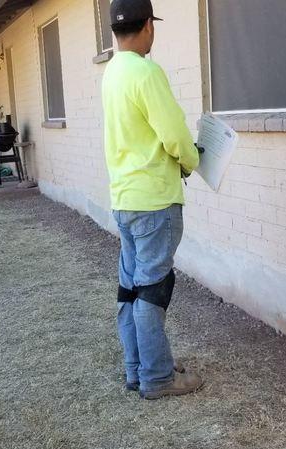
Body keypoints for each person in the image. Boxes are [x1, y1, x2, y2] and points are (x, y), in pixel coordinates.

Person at [102, 0, 202, 400]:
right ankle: (158, 378)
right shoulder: (146, 72)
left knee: (130, 289)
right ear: (147, 26)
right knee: (153, 291)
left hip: (124, 199)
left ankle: (136, 368)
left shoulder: (111, 73)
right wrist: (192, 160)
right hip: (155, 202)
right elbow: (175, 134)